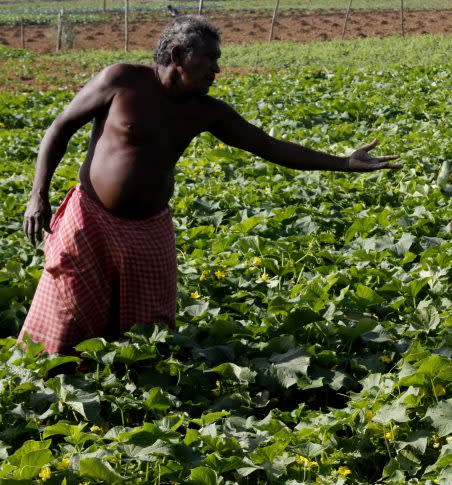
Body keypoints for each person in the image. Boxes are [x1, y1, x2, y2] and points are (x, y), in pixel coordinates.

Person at [18, 15, 399, 355]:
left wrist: (343, 163)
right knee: (69, 311)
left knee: (148, 326)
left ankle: (130, 386)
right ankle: (57, 382)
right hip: (91, 218)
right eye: (210, 58)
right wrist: (38, 195)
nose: (216, 69)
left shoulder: (205, 111)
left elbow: (267, 146)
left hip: (149, 228)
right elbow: (60, 128)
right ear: (180, 54)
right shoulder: (122, 81)